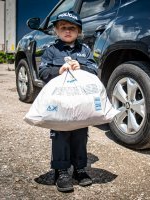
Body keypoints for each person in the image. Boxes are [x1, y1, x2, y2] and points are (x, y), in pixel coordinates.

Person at [38, 11, 98, 192]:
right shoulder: (51, 50)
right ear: (56, 30)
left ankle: (80, 169)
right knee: (60, 134)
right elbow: (43, 72)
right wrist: (59, 70)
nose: (67, 31)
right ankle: (61, 171)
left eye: (72, 28)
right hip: (59, 104)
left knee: (80, 133)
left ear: (78, 31)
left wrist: (83, 67)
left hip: (80, 103)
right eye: (63, 27)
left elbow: (95, 70)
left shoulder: (85, 50)